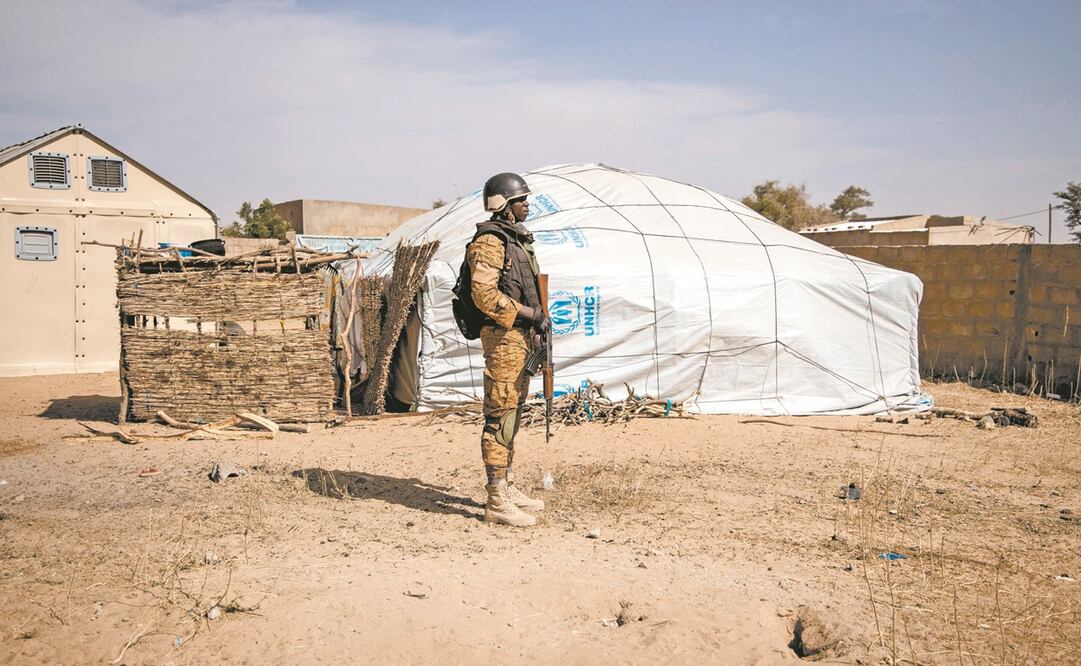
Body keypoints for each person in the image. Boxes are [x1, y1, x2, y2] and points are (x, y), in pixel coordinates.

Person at [466, 172, 550, 527]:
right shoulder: (489, 241)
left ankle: (508, 483)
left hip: (520, 339)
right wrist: (528, 313)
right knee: (500, 414)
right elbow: (483, 295)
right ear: (503, 204)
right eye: (521, 200)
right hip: (503, 339)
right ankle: (496, 498)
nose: (527, 205)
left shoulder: (516, 239)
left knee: (512, 413)